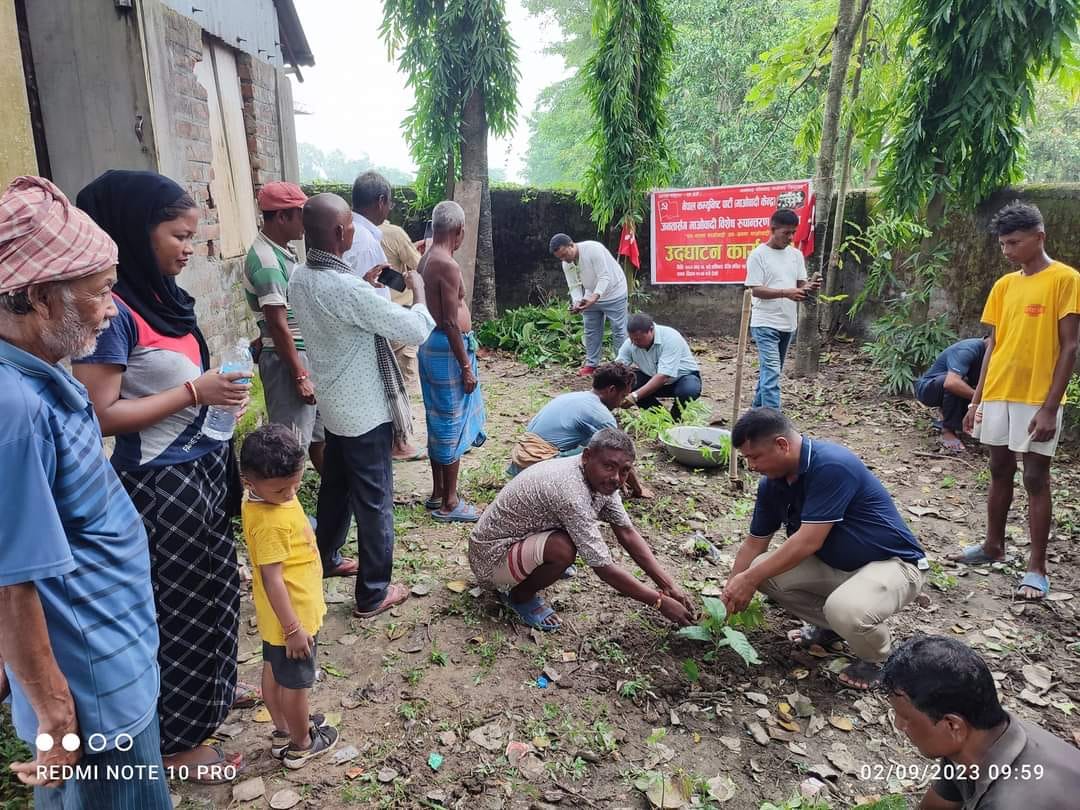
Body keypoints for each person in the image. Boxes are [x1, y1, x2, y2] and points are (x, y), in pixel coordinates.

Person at [0, 176, 171, 807]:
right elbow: (10, 580)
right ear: (42, 297)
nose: (113, 308)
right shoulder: (14, 409)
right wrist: (54, 714)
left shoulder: (39, 374)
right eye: (101, 292)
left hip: (111, 655)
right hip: (90, 686)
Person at [73, 170, 249, 778]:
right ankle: (174, 738)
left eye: (195, 237)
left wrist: (215, 397)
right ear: (133, 230)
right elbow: (100, 415)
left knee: (215, 593)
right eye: (178, 235)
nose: (188, 248)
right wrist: (193, 393)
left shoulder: (165, 300)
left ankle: (213, 697)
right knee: (175, 612)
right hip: (155, 487)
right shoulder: (112, 314)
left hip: (198, 473)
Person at [288, 193, 435, 618]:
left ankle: (328, 556)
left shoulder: (301, 277)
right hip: (366, 414)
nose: (355, 230)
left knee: (336, 488)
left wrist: (370, 290)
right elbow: (414, 328)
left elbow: (344, 318)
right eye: (351, 225)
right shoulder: (345, 287)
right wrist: (418, 290)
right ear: (339, 233)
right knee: (375, 501)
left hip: (334, 406)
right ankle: (373, 592)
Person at [721, 408, 927, 690]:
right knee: (760, 571)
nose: (752, 466)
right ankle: (833, 628)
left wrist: (748, 579)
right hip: (836, 564)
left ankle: (878, 658)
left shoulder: (831, 465)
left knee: (844, 609)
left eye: (755, 457)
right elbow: (755, 543)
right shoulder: (772, 484)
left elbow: (808, 541)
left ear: (782, 444)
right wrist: (733, 587)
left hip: (893, 564)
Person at [953, 202, 1080, 601]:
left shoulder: (1066, 279)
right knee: (998, 468)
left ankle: (1037, 566)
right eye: (1003, 243)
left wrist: (1049, 406)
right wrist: (976, 400)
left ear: (1039, 237)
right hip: (999, 392)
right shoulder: (1004, 286)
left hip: (1037, 397)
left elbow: (1070, 346)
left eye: (1014, 242)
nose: (1007, 250)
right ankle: (993, 546)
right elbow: (993, 345)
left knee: (1035, 477)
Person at [469, 428, 694, 631]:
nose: (616, 478)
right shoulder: (570, 492)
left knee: (569, 541)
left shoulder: (600, 480)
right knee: (564, 550)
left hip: (519, 537)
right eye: (609, 466)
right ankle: (519, 595)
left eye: (624, 471)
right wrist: (659, 602)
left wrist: (668, 584)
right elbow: (602, 567)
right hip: (490, 559)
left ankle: (535, 567)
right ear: (587, 456)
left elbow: (626, 532)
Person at [881, 635, 1080, 808]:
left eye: (906, 718)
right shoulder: (974, 746)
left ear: (952, 725)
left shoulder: (1008, 802)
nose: (899, 726)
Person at [239, 425, 338, 768]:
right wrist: (294, 629)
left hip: (274, 618)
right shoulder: (270, 521)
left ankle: (283, 730)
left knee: (273, 669)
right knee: (297, 684)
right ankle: (301, 743)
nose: (291, 492)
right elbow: (272, 578)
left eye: (295, 482)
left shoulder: (262, 497)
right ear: (249, 482)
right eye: (281, 488)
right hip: (292, 617)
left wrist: (284, 491)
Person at [243, 181, 326, 472]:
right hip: (288, 360)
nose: (308, 221)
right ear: (281, 216)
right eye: (301, 213)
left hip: (298, 354)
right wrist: (300, 375)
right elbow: (278, 323)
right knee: (290, 444)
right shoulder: (266, 259)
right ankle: (283, 511)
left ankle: (335, 502)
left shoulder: (282, 251)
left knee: (316, 436)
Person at [344, 171, 423, 460]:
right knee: (394, 382)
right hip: (379, 325)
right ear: (380, 202)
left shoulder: (353, 232)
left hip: (364, 325)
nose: (389, 209)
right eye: (389, 203)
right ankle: (395, 443)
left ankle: (392, 443)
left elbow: (368, 280)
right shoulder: (365, 240)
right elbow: (369, 296)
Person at [417, 200, 487, 522]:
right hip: (447, 347)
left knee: (437, 416)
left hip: (431, 344)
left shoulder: (426, 258)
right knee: (450, 422)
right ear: (460, 231)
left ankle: (436, 493)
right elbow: (448, 320)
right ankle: (450, 502)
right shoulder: (447, 264)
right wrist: (466, 366)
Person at [509, 361, 652, 498]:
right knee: (602, 455)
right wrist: (638, 489)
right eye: (622, 396)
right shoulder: (601, 415)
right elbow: (621, 457)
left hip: (520, 460)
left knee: (596, 445)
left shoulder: (573, 397)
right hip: (536, 466)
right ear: (611, 390)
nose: (622, 402)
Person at [745, 208, 819, 410]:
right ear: (773, 229)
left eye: (793, 232)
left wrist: (809, 287)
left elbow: (801, 284)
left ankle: (755, 415)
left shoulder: (795, 255)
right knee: (772, 373)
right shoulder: (758, 255)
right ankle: (773, 424)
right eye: (786, 233)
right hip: (765, 322)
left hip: (787, 323)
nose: (791, 237)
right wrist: (786, 292)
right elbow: (756, 289)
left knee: (771, 372)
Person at [549, 233, 629, 377]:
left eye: (565, 254)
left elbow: (604, 276)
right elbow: (573, 285)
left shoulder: (593, 249)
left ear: (572, 245)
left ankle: (621, 366)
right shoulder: (566, 263)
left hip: (614, 291)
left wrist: (594, 297)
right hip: (591, 292)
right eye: (560, 257)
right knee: (591, 330)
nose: (564, 259)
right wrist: (577, 303)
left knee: (619, 329)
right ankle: (591, 365)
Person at [616, 313, 702, 418]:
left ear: (651, 330)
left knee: (689, 390)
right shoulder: (630, 344)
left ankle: (676, 417)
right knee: (628, 380)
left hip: (681, 379)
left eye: (638, 339)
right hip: (652, 378)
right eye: (632, 339)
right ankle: (660, 419)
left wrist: (634, 396)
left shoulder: (670, 338)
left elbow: (663, 376)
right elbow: (617, 369)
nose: (634, 343)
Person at [914, 337, 987, 452]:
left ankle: (952, 417)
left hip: (960, 393)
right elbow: (951, 383)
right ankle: (947, 429)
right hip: (928, 389)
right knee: (959, 383)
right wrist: (981, 400)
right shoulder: (968, 349)